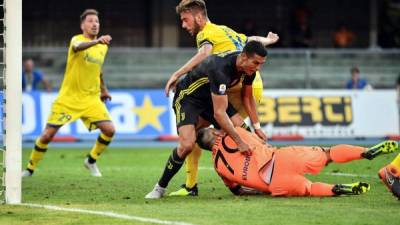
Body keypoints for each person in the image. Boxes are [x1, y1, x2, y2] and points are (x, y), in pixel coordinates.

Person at [165, 0, 279, 197]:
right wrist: (267, 40)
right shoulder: (224, 30)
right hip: (252, 84)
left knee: (214, 133)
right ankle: (263, 172)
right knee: (236, 133)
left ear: (198, 17)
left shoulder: (205, 34)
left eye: (185, 20)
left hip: (236, 86)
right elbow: (249, 40)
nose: (184, 25)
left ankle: (240, 180)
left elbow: (204, 53)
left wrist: (177, 74)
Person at [145, 41, 269, 199]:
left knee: (247, 133)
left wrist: (257, 127)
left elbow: (247, 97)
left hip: (212, 98)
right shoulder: (220, 69)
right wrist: (238, 141)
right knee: (187, 145)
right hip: (188, 98)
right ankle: (160, 188)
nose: (258, 68)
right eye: (256, 63)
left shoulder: (248, 68)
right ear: (244, 57)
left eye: (261, 64)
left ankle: (249, 184)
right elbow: (219, 114)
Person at [22, 9, 115, 177]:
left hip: (90, 98)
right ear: (82, 25)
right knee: (47, 135)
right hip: (68, 99)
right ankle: (29, 169)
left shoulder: (102, 48)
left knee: (109, 130)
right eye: (90, 21)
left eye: (97, 21)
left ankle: (91, 160)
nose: (95, 24)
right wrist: (97, 41)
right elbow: (78, 47)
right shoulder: (77, 40)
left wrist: (104, 89)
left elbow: (98, 70)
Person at [195, 126, 398, 197]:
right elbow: (258, 140)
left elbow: (237, 190)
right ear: (214, 131)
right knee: (327, 154)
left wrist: (260, 190)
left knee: (309, 188)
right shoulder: (235, 133)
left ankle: (338, 189)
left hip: (275, 186)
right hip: (280, 159)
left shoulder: (218, 167)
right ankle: (366, 152)